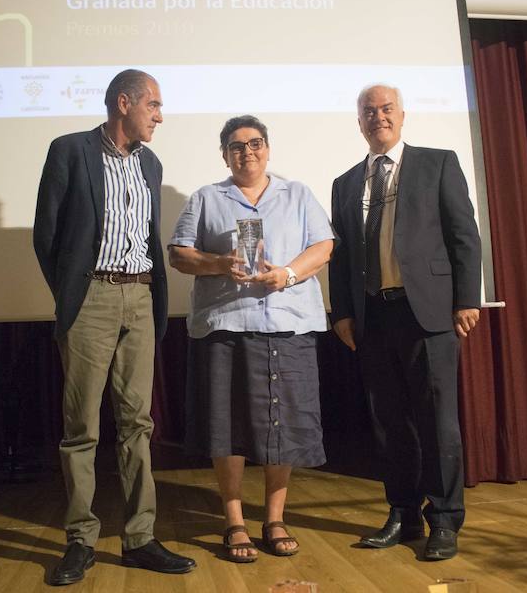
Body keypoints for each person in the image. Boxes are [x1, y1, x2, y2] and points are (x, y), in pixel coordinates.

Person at [33, 69, 196, 586]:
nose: (159, 116)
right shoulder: (70, 150)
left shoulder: (151, 162)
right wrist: (72, 296)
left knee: (138, 424)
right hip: (92, 297)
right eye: (153, 105)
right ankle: (81, 540)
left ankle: (140, 538)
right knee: (82, 428)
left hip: (142, 296)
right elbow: (47, 235)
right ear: (123, 103)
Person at [169, 115, 334, 563]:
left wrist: (287, 274)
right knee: (228, 427)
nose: (247, 152)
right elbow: (179, 254)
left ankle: (275, 518)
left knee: (283, 427)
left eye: (255, 143)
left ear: (268, 148)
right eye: (236, 146)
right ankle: (234, 520)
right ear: (224, 154)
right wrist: (221, 264)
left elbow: (323, 246)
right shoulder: (206, 197)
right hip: (226, 324)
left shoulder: (297, 193)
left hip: (289, 321)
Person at [329, 84, 481, 561]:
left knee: (438, 421)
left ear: (402, 115)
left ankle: (443, 519)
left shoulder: (438, 163)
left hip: (430, 312)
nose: (378, 117)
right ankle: (402, 512)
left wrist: (466, 298)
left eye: (386, 108)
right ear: (359, 123)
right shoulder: (346, 183)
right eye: (368, 112)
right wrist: (344, 312)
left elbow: (464, 236)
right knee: (390, 423)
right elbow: (343, 257)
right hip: (374, 316)